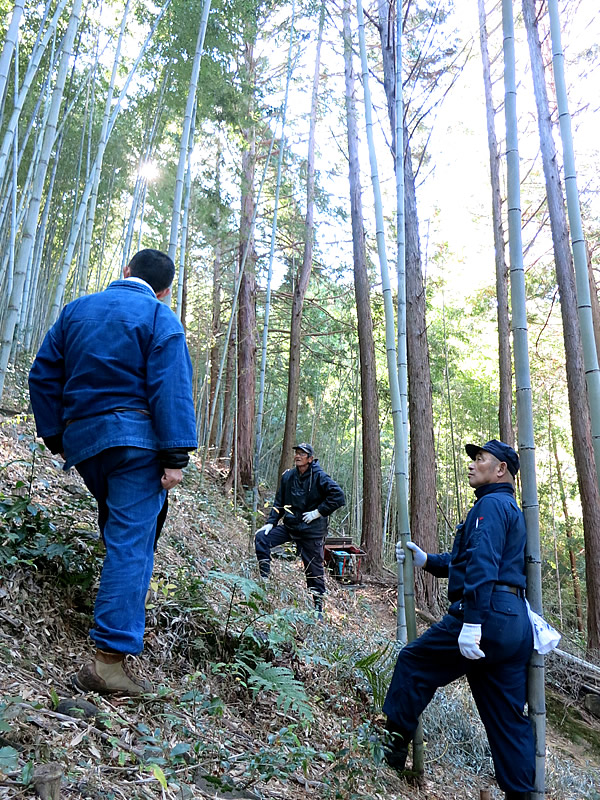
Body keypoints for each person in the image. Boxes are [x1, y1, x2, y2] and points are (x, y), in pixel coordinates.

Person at [28, 249, 197, 695]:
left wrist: (56, 435)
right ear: (165, 290)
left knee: (120, 528)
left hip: (86, 442)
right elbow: (171, 389)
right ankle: (108, 660)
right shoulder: (161, 318)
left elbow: (43, 375)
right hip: (137, 442)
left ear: (125, 273)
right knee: (132, 543)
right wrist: (176, 457)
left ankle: (113, 616)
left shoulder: (77, 310)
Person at [383, 440, 534, 800]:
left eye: (480, 459)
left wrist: (471, 623)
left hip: (487, 616)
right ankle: (523, 795)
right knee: (509, 722)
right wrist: (427, 561)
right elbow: (470, 559)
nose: (472, 465)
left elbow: (482, 566)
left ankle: (390, 756)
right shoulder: (506, 506)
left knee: (413, 663)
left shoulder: (490, 506)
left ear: (500, 470)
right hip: (513, 624)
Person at [254, 443, 345, 614]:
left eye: (302, 454)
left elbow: (338, 496)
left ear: (310, 459)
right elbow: (279, 502)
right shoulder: (288, 476)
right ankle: (263, 581)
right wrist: (271, 522)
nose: (297, 456)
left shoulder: (319, 477)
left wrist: (318, 512)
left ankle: (318, 608)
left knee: (313, 569)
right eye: (296, 453)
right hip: (291, 526)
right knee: (262, 538)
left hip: (312, 531)